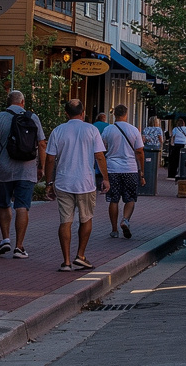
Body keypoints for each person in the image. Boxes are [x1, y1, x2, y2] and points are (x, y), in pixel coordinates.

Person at [44, 99, 107, 272]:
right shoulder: (91, 130)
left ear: (66, 113)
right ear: (83, 112)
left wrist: (49, 182)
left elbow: (50, 158)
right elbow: (99, 156)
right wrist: (106, 178)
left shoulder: (58, 131)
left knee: (65, 221)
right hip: (86, 182)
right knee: (86, 218)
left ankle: (66, 261)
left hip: (63, 181)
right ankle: (80, 255)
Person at [0, 90, 45, 259]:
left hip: (4, 168)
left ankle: (5, 239)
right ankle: (19, 247)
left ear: (7, 102)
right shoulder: (32, 117)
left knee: (4, 204)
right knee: (22, 206)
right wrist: (41, 167)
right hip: (27, 169)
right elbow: (41, 143)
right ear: (23, 102)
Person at [102, 105, 145, 239]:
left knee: (113, 199)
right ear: (126, 114)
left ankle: (114, 230)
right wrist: (141, 171)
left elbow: (102, 149)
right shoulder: (133, 130)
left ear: (114, 114)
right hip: (130, 169)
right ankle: (125, 220)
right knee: (130, 198)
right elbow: (139, 152)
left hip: (112, 169)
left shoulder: (108, 130)